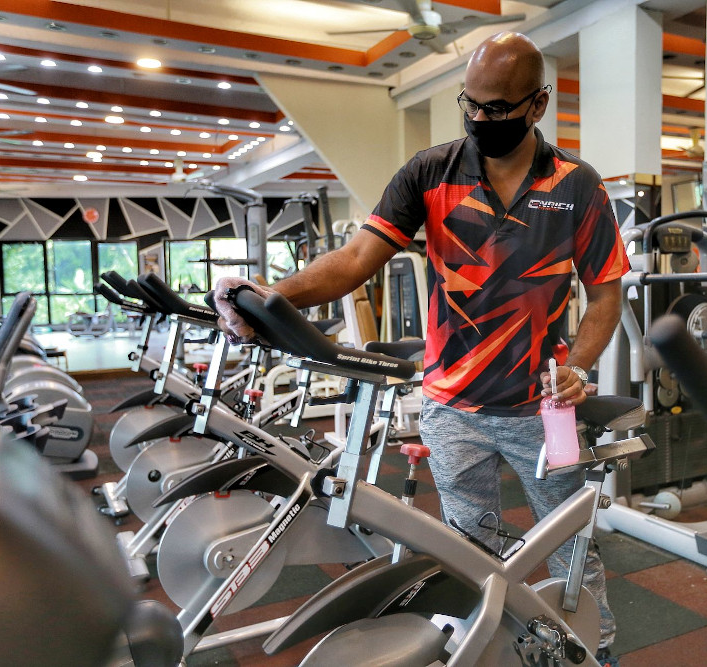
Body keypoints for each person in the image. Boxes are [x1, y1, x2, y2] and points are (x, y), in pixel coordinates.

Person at [214, 31, 629, 664]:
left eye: (499, 109)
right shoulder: (429, 173)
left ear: (538, 105)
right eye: (473, 105)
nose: (482, 120)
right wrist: (275, 295)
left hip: (543, 409)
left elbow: (605, 297)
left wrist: (576, 366)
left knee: (573, 548)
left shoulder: (577, 187)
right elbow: (356, 259)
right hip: (450, 406)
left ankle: (594, 652)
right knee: (468, 548)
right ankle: (496, 649)